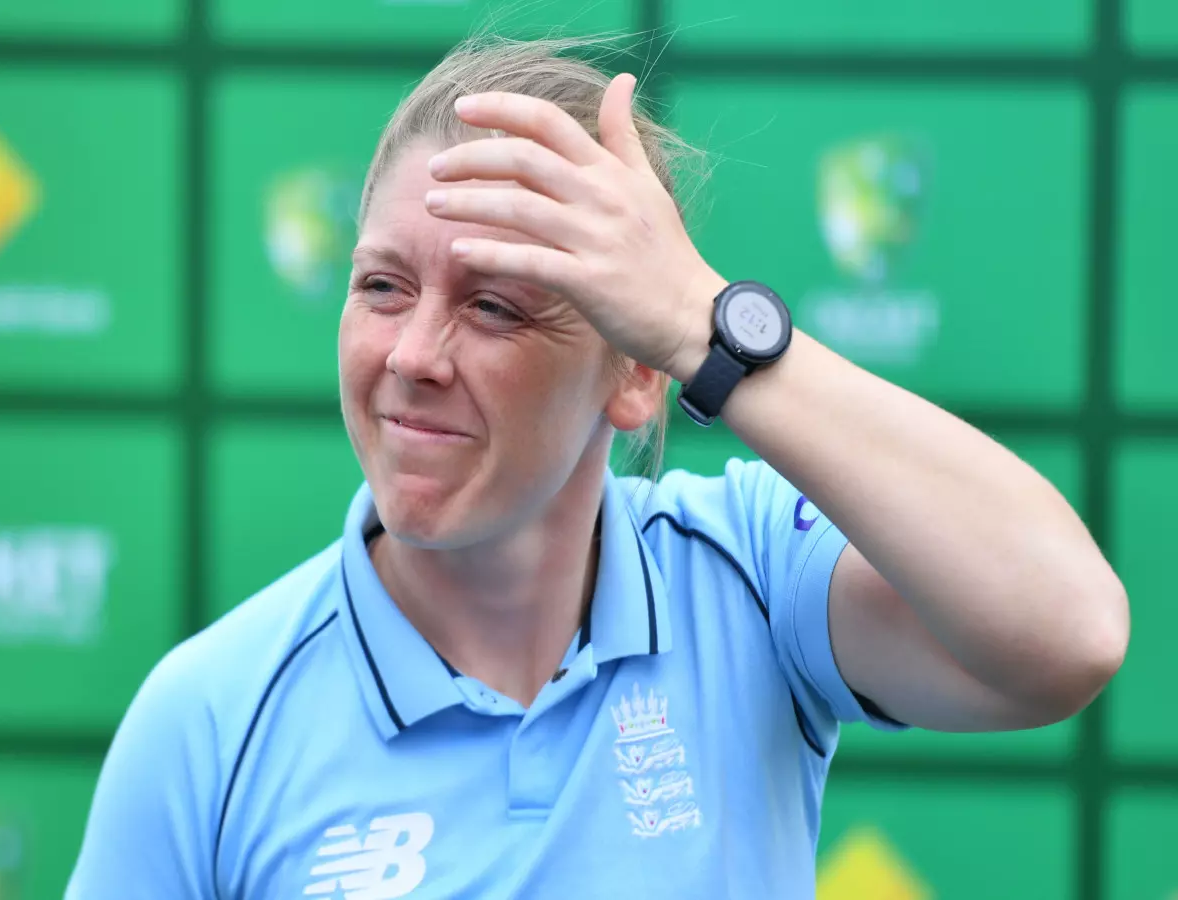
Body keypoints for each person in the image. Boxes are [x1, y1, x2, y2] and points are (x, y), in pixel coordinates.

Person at [66, 36, 1129, 899]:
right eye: (383, 287)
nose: (412, 358)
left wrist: (702, 325)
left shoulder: (746, 577)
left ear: (633, 378)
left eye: (493, 305)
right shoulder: (213, 716)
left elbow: (1067, 633)